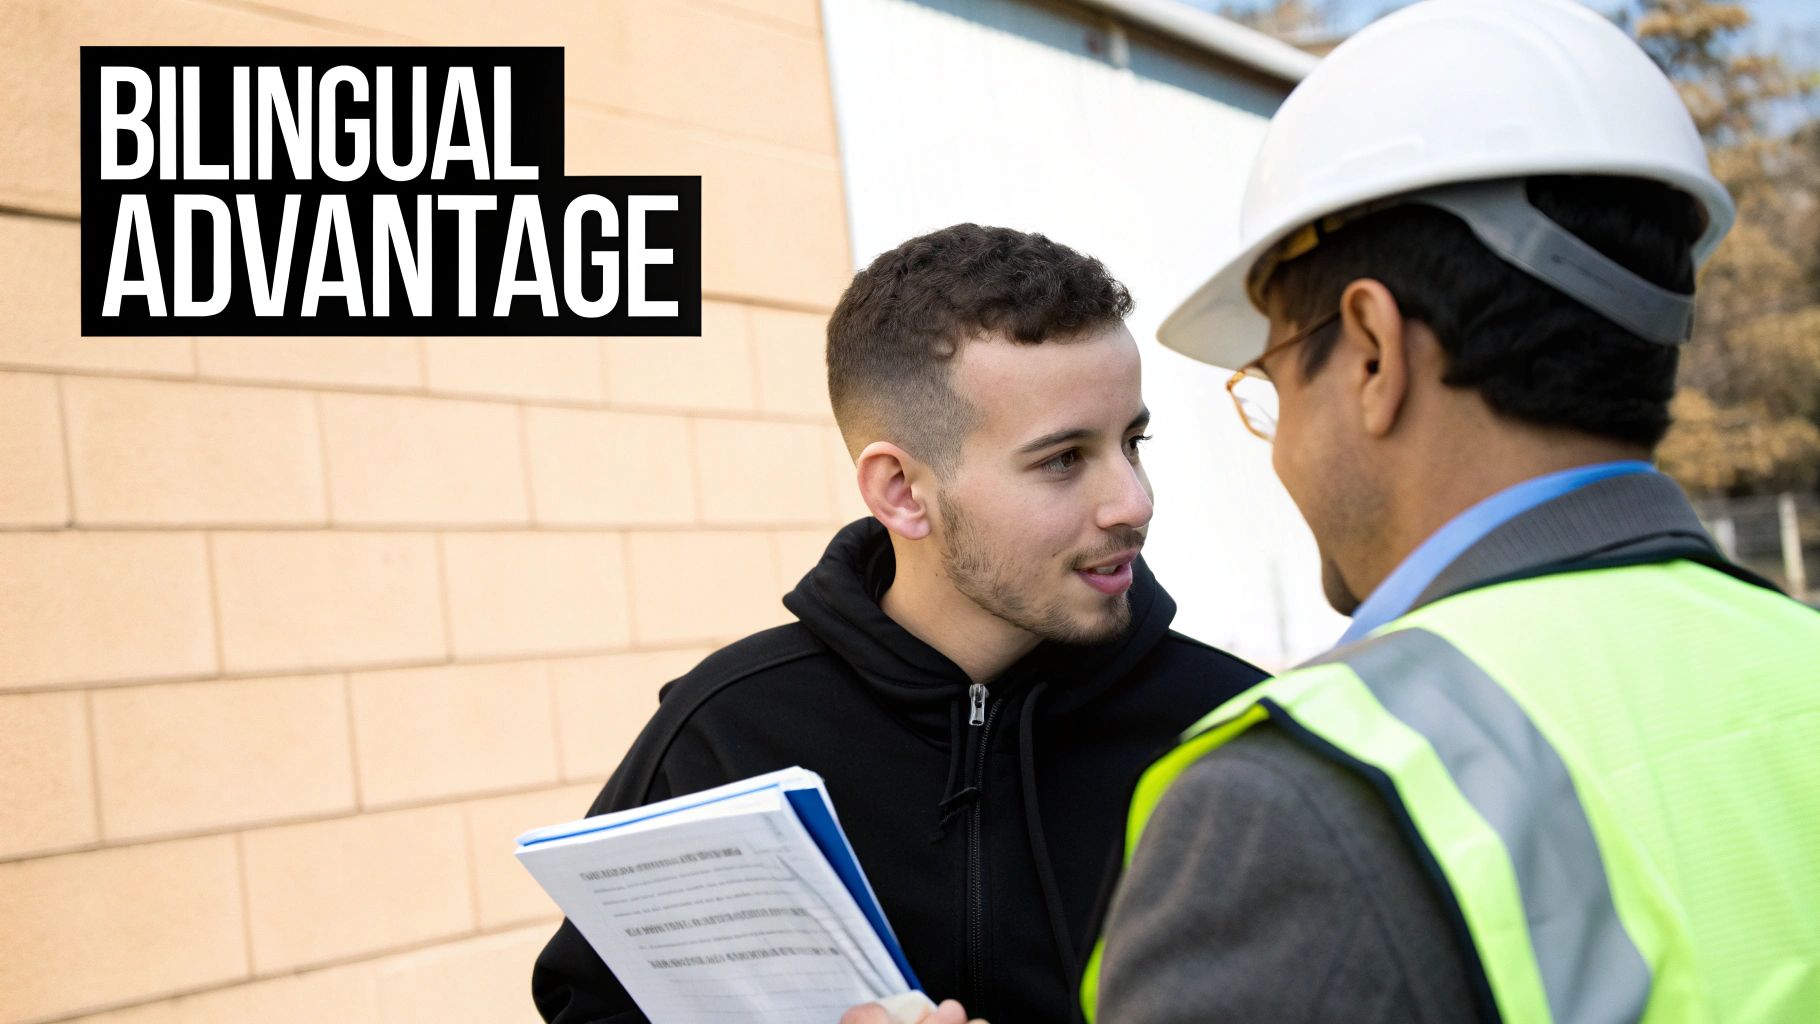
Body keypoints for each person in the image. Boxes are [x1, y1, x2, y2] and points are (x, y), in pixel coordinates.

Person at [1068, 1, 1820, 1022]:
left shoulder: (1294, 803)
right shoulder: (1792, 659)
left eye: (1277, 378)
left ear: (1372, 351)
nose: (1280, 442)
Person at [531, 223, 1265, 1023]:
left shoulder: (1236, 736)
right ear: (901, 492)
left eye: (1133, 441)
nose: (1134, 501)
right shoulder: (725, 736)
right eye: (1063, 459)